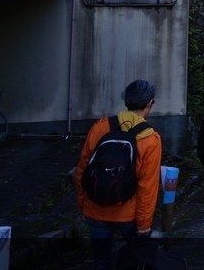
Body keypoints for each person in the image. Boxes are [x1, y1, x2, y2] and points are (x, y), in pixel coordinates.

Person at [74, 79, 162, 270]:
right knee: (138, 261)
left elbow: (82, 168)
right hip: (128, 214)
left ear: (126, 101)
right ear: (150, 103)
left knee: (101, 261)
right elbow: (147, 186)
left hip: (96, 208)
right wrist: (144, 224)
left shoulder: (101, 126)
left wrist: (83, 203)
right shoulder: (150, 138)